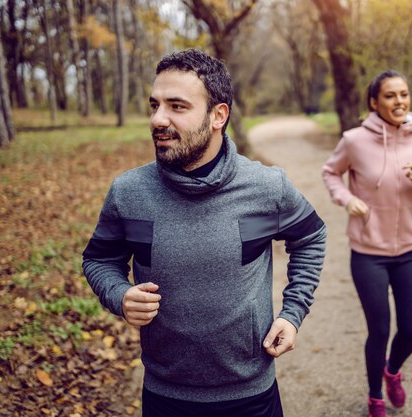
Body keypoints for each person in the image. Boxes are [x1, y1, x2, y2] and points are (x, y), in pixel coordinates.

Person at [82, 49, 327, 417]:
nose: (158, 119)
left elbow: (310, 237)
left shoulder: (265, 188)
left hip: (251, 396)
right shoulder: (130, 193)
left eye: (177, 106)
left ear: (218, 115)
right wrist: (119, 294)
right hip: (165, 396)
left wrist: (293, 312)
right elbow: (100, 259)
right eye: (155, 105)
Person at [322, 70, 412, 417]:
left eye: (404, 94)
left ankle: (392, 371)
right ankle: (375, 395)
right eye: (390, 96)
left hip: (409, 251)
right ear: (374, 102)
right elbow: (331, 172)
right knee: (379, 329)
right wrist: (346, 199)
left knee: (411, 329)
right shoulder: (355, 140)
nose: (399, 102)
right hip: (368, 254)